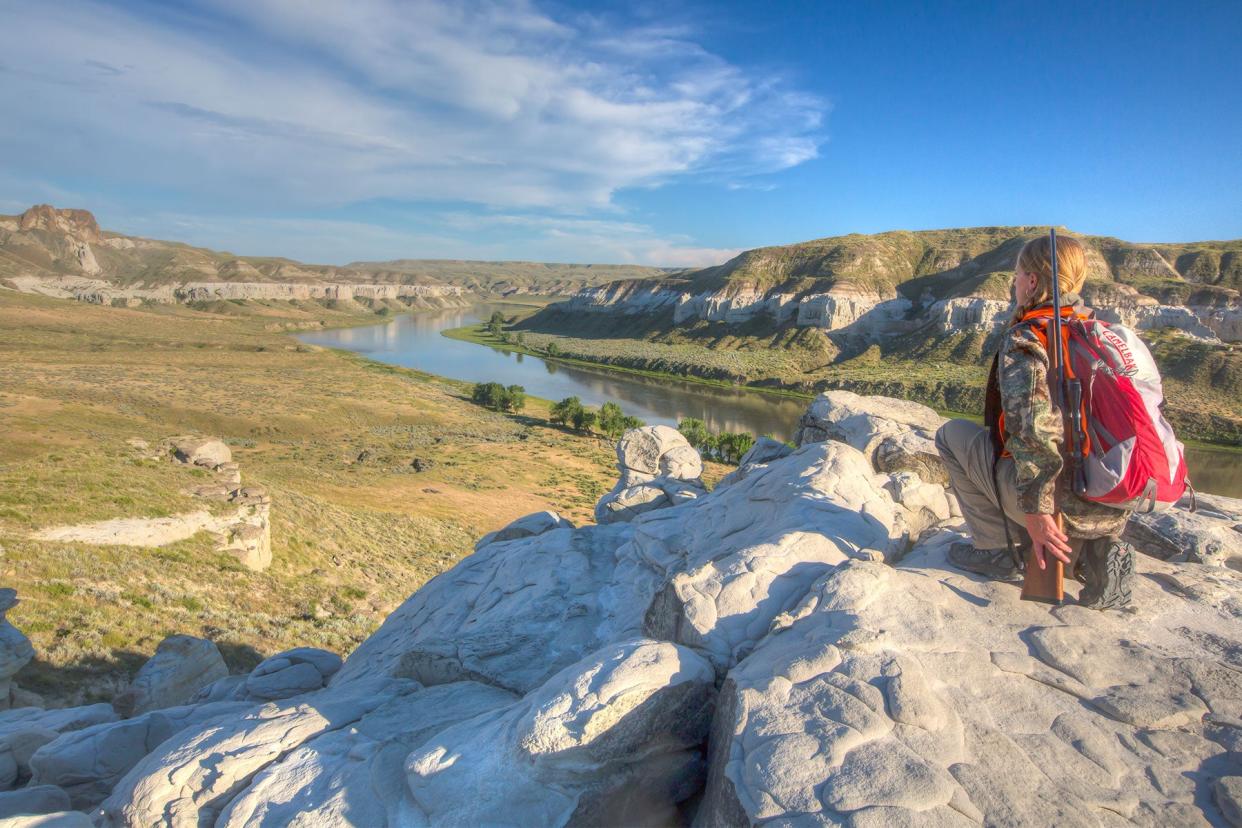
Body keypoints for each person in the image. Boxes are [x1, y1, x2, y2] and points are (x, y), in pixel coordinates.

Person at [934, 234, 1134, 608]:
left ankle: (996, 549)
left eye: (1017, 275)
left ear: (1032, 282)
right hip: (1110, 497)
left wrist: (1039, 513)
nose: (1013, 283)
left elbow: (1031, 431)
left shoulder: (1030, 337)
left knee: (951, 435)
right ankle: (1092, 554)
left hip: (1058, 501)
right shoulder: (1103, 334)